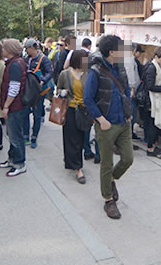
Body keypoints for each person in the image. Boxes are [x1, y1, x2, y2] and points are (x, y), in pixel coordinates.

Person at [83, 34, 134, 219]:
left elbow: (126, 90)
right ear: (112, 52)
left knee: (128, 158)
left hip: (124, 122)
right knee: (106, 163)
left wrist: (129, 112)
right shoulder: (95, 71)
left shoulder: (121, 68)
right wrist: (100, 119)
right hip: (105, 124)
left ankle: (112, 179)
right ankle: (108, 200)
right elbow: (87, 99)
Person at [57, 49, 90, 184]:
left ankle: (71, 161)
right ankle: (78, 169)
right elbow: (58, 89)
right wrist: (63, 92)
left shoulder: (89, 74)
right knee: (72, 138)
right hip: (70, 110)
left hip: (85, 111)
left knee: (81, 138)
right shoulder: (65, 74)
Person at [0, 39, 28, 177]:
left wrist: (6, 105)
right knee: (12, 134)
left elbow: (14, 88)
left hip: (15, 106)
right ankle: (12, 159)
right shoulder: (16, 62)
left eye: (4, 47)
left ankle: (19, 163)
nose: (2, 49)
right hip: (15, 105)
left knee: (15, 136)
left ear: (9, 49)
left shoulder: (15, 65)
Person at [23, 39, 54, 148]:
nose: (25, 51)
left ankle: (34, 137)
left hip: (38, 92)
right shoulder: (26, 59)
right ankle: (25, 136)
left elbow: (50, 72)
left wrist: (43, 81)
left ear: (32, 48)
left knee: (37, 115)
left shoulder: (43, 59)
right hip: (27, 91)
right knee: (25, 113)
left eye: (26, 48)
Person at [124, 43, 143, 140]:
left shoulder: (127, 58)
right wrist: (132, 88)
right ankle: (128, 135)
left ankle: (130, 134)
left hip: (129, 89)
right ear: (134, 50)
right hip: (130, 90)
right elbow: (130, 74)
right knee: (132, 113)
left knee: (131, 112)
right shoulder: (130, 59)